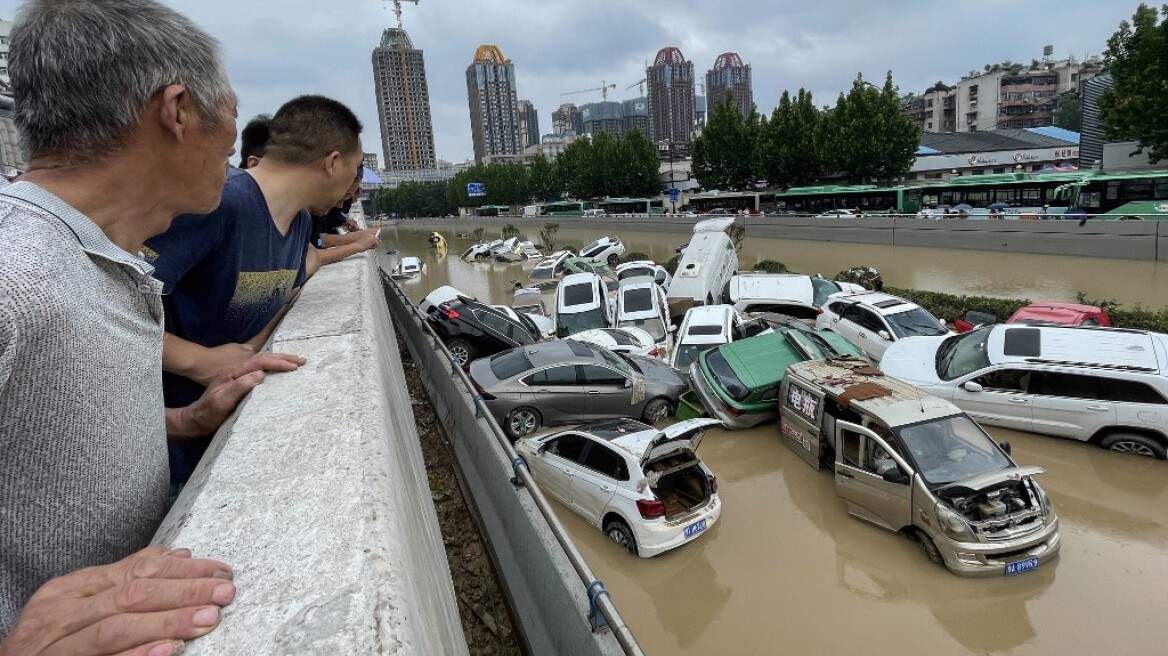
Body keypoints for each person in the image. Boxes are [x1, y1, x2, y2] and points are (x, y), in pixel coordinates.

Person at [0, 0, 302, 649]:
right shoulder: (16, 273)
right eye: (231, 110)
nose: (235, 140)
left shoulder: (97, 260)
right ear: (178, 110)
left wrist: (186, 421)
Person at [142, 95, 367, 485]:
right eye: (354, 168)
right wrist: (200, 361)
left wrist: (249, 355)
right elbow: (101, 308)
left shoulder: (298, 221)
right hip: (162, 449)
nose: (353, 186)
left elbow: (280, 299)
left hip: (218, 436)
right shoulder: (219, 202)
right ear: (332, 163)